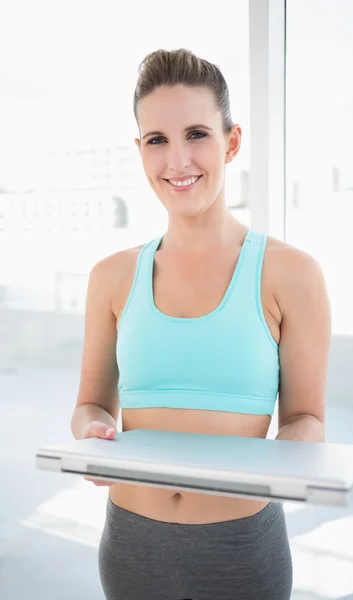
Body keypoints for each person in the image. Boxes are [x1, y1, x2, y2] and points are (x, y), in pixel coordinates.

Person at [71, 48, 331, 600]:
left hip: (242, 548)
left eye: (196, 133)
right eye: (157, 140)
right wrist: (92, 435)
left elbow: (306, 418)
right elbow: (90, 406)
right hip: (131, 544)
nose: (178, 160)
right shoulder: (111, 276)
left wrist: (286, 459)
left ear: (231, 141)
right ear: (140, 151)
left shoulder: (292, 274)